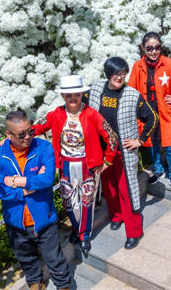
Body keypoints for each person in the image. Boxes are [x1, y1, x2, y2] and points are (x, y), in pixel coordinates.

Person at [32, 75, 118, 257]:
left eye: (76, 94)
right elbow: (38, 128)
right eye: (68, 95)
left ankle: (84, 235)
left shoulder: (92, 114)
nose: (73, 98)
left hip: (88, 164)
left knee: (86, 201)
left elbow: (111, 137)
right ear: (63, 96)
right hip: (65, 165)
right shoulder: (56, 114)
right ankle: (77, 228)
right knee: (68, 201)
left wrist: (108, 161)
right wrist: (14, 137)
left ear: (81, 94)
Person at [0, 109, 71, 290]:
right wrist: (26, 191)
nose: (28, 137)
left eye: (30, 131)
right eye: (21, 134)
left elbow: (48, 179)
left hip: (43, 216)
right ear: (8, 134)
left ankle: (63, 285)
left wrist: (17, 182)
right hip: (16, 221)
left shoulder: (43, 147)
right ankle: (35, 282)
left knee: (54, 257)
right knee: (25, 257)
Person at [88, 57, 158, 250]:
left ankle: (134, 231)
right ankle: (116, 216)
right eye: (116, 73)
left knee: (127, 190)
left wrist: (140, 140)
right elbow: (76, 104)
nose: (120, 77)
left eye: (123, 73)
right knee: (108, 187)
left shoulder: (131, 95)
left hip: (124, 152)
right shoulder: (95, 90)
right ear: (108, 73)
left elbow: (152, 118)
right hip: (103, 152)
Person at [129, 32, 171, 195]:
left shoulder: (168, 63)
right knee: (154, 142)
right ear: (143, 49)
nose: (154, 51)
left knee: (170, 146)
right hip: (148, 115)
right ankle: (157, 169)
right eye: (149, 48)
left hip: (166, 112)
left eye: (157, 47)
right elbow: (131, 90)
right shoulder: (137, 66)